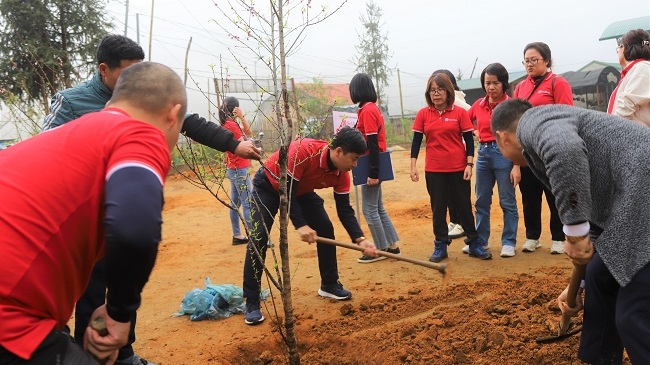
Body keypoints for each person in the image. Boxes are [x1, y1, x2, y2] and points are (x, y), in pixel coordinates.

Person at [40, 34, 261, 365]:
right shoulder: (72, 102)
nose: (135, 79)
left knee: (123, 282)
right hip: (81, 215)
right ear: (104, 69)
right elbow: (45, 152)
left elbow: (190, 123)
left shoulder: (143, 97)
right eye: (128, 72)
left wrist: (233, 144)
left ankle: (123, 353)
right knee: (88, 292)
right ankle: (94, 357)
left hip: (118, 208)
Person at [0, 62, 186, 364]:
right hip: (10, 315)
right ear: (172, 115)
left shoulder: (69, 135)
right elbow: (134, 231)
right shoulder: (138, 133)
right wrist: (119, 315)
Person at [491, 98, 650, 365]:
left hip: (642, 198)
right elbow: (600, 225)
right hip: (633, 199)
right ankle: (600, 358)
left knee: (634, 315)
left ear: (501, 138)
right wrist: (578, 285)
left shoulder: (534, 122)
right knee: (599, 273)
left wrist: (575, 231)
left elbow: (565, 150)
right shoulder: (550, 124)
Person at [242, 127, 379, 325]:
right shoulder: (303, 152)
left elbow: (344, 210)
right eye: (354, 158)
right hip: (269, 185)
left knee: (325, 228)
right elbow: (287, 192)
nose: (356, 165)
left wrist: (361, 239)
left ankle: (329, 284)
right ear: (339, 151)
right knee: (259, 237)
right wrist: (301, 225)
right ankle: (252, 301)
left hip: (301, 192)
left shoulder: (342, 174)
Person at [410, 72, 491, 262]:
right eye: (432, 90)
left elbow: (469, 142)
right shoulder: (423, 114)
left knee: (464, 207)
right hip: (434, 170)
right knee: (438, 209)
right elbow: (416, 142)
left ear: (448, 92)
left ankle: (474, 243)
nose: (436, 94)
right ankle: (440, 245)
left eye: (440, 90)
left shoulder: (459, 113)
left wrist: (469, 164)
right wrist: (413, 166)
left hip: (458, 168)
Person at [512, 42, 573, 255]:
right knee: (529, 195)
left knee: (554, 195)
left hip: (550, 150)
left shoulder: (557, 82)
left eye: (534, 60)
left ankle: (558, 237)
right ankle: (532, 237)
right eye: (526, 60)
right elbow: (516, 119)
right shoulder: (520, 87)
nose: (529, 64)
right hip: (527, 150)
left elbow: (566, 115)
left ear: (546, 61)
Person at [464, 63, 519, 258]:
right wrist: (476, 130)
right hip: (484, 154)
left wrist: (517, 166)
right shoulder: (478, 105)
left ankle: (509, 242)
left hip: (505, 155)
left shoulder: (511, 106)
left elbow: (518, 137)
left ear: (503, 84)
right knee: (481, 200)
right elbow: (466, 121)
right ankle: (481, 240)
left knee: (507, 201)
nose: (491, 87)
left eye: (495, 83)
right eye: (487, 83)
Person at [348, 73, 401, 263]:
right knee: (378, 208)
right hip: (371, 164)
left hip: (370, 165)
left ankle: (380, 248)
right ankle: (392, 246)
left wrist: (373, 172)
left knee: (369, 209)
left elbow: (373, 142)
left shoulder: (368, 110)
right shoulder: (368, 109)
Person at [433, 69, 470, 240]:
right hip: (443, 158)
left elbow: (470, 124)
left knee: (458, 194)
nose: (437, 89)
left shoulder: (459, 104)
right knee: (447, 193)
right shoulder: (443, 103)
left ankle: (462, 223)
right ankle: (455, 221)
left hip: (457, 155)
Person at [219, 96, 254, 245]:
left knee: (235, 204)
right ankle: (255, 239)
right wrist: (242, 117)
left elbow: (247, 134)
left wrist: (240, 118)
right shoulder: (232, 125)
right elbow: (248, 137)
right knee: (248, 204)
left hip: (233, 167)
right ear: (235, 109)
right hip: (239, 168)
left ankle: (237, 235)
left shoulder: (225, 124)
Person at [608, 28, 650, 126]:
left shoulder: (641, 68)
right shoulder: (636, 69)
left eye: (619, 46)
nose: (617, 50)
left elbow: (625, 107)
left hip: (635, 138)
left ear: (626, 48)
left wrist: (609, 129)